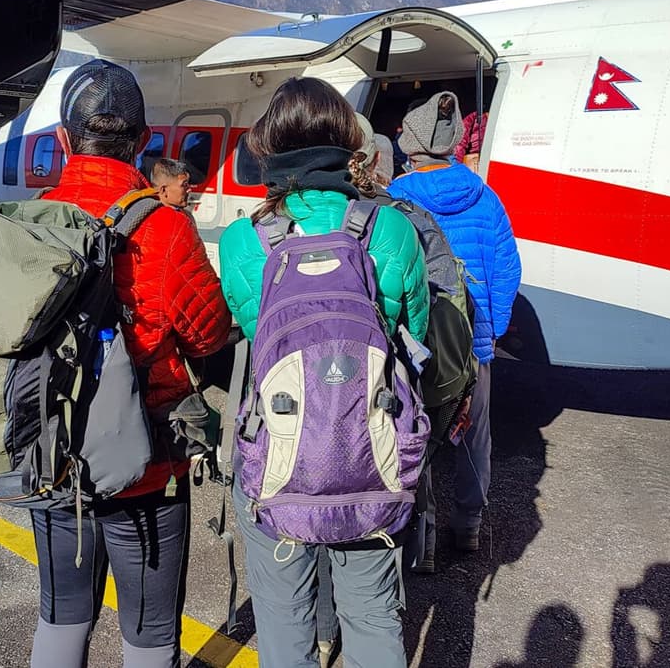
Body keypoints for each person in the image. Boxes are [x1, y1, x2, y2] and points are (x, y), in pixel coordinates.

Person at [218, 77, 429, 668]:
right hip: (370, 451)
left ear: (269, 145)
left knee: (283, 624)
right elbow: (418, 330)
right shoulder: (388, 229)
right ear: (346, 140)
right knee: (372, 616)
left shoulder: (244, 241)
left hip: (280, 456)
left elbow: (254, 331)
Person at [31, 59, 231, 668]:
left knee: (61, 618)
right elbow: (207, 334)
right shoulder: (168, 227)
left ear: (65, 140)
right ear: (144, 141)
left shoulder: (31, 219)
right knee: (148, 634)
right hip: (146, 464)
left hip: (52, 453)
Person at [387, 91, 522, 554]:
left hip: (418, 342)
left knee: (412, 430)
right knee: (474, 436)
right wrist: (491, 332)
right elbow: (507, 270)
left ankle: (413, 534)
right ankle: (467, 527)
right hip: (475, 341)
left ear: (412, 146)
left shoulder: (394, 202)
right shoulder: (485, 197)